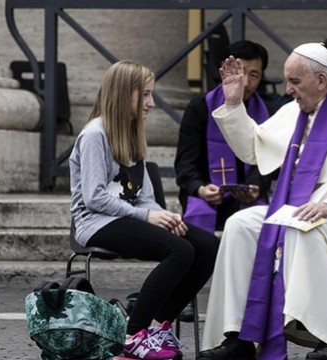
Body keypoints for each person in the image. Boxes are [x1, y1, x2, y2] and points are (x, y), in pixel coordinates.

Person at [199, 43, 327, 360]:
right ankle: (241, 336)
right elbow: (254, 150)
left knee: (304, 229)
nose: (289, 90)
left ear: (322, 80)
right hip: (297, 209)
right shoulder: (292, 111)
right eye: (288, 81)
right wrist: (233, 105)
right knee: (240, 225)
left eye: (295, 82)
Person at [69, 60, 219, 360]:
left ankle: (154, 325)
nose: (151, 103)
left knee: (207, 245)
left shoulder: (132, 133)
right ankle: (133, 335)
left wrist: (163, 216)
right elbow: (94, 197)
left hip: (125, 216)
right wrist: (147, 216)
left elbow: (143, 196)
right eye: (146, 94)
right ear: (125, 94)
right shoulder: (94, 135)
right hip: (95, 222)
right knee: (180, 250)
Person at [175, 40, 275, 235]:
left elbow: (268, 161)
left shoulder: (267, 112)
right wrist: (200, 187)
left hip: (245, 198)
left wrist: (255, 187)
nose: (245, 83)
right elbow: (185, 163)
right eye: (240, 73)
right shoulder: (199, 107)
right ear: (225, 70)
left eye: (254, 75)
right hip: (205, 194)